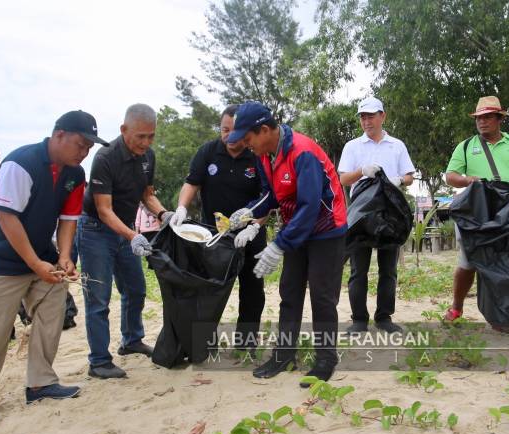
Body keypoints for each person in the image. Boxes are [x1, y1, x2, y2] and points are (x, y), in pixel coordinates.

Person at [0, 110, 108, 422]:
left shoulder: (75, 174)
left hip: (42, 254)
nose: (84, 153)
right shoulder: (21, 162)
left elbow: (68, 220)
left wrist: (65, 257)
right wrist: (34, 264)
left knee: (53, 312)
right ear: (58, 135)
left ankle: (41, 382)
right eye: (80, 145)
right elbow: (7, 217)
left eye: (88, 149)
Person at [226, 101, 347, 386]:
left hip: (326, 229)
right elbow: (273, 196)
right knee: (289, 292)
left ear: (265, 130)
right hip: (298, 227)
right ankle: (284, 354)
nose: (246, 145)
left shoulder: (302, 152)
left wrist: (279, 244)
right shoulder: (266, 154)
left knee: (322, 296)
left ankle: (326, 358)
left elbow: (309, 207)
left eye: (248, 139)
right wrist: (250, 211)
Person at [77, 103, 173, 380]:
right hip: (96, 230)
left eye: (151, 136)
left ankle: (131, 340)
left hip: (127, 232)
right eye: (140, 136)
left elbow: (146, 194)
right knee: (99, 298)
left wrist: (164, 214)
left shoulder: (148, 157)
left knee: (136, 290)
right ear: (123, 130)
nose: (146, 142)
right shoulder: (105, 157)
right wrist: (133, 235)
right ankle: (99, 361)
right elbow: (104, 209)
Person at [169, 104, 267, 349]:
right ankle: (203, 340)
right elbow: (192, 183)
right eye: (225, 129)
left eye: (235, 130)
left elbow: (269, 198)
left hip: (249, 233)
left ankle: (246, 341)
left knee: (253, 288)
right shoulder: (208, 152)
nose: (230, 136)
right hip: (213, 236)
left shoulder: (257, 156)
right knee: (208, 289)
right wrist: (182, 207)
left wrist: (254, 225)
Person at [444, 96, 509, 323]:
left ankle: (505, 315)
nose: (482, 121)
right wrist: (469, 180)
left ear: (499, 119)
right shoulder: (466, 146)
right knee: (468, 262)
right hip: (476, 213)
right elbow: (450, 176)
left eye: (487, 117)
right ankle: (457, 307)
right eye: (479, 117)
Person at [338, 97, 415, 334]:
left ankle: (384, 317)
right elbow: (342, 179)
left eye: (370, 116)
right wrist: (362, 171)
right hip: (361, 217)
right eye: (362, 117)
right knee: (358, 270)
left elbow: (409, 175)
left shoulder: (397, 145)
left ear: (383, 116)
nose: (366, 121)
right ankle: (359, 319)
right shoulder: (353, 146)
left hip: (389, 216)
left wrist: (399, 179)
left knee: (388, 270)